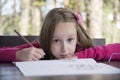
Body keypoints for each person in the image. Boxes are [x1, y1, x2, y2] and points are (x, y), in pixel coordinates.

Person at [0, 8, 120, 62]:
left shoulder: (81, 49)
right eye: (56, 41)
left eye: (70, 40)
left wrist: (80, 56)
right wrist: (18, 54)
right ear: (47, 38)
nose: (65, 49)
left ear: (77, 36)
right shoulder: (38, 48)